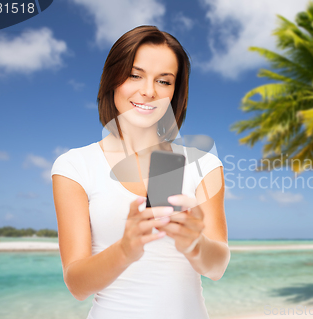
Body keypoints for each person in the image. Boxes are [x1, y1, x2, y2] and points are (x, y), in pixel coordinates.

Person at [51, 25, 230, 319]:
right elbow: (77, 285)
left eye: (164, 81)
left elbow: (218, 267)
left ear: (175, 92)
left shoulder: (205, 165)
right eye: (135, 75)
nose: (148, 91)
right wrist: (125, 249)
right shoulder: (75, 166)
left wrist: (195, 244)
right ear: (113, 78)